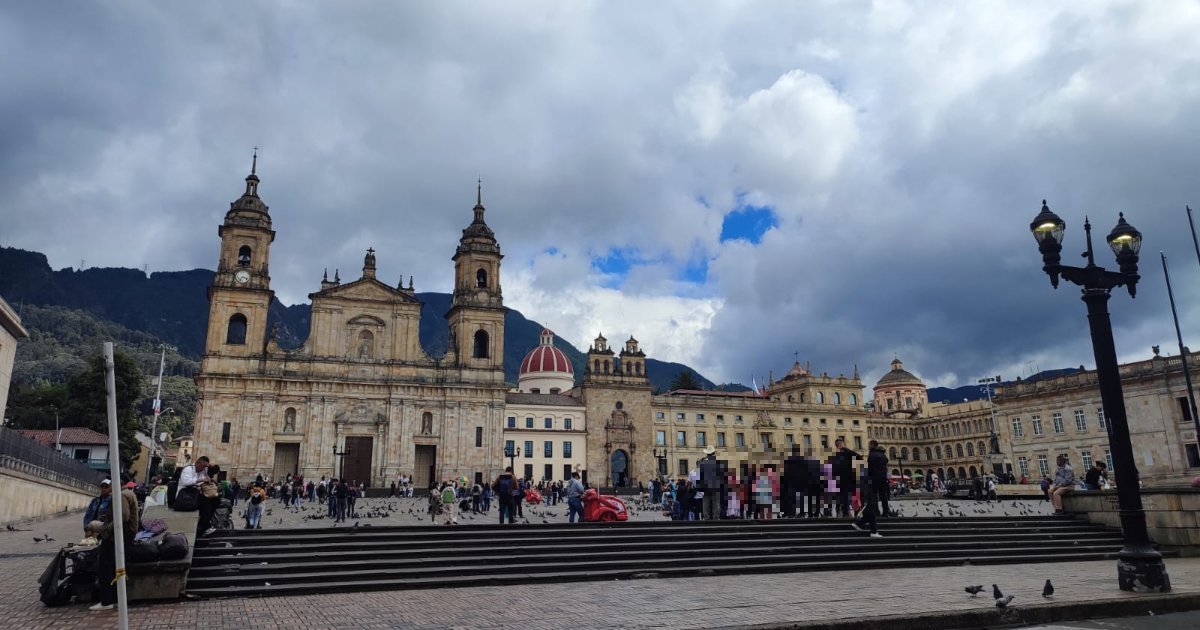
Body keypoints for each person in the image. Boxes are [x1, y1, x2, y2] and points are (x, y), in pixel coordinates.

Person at [91, 473, 139, 611]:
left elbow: (123, 516)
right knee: (116, 568)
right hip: (124, 536)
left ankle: (106, 601)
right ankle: (115, 598)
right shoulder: (128, 493)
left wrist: (106, 530)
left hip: (117, 537)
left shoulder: (122, 495)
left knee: (106, 568)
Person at [178, 455, 218, 537]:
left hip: (195, 493)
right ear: (198, 463)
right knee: (205, 503)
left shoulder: (204, 470)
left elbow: (215, 471)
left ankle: (203, 523)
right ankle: (205, 526)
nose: (203, 468)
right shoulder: (188, 469)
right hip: (185, 494)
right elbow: (186, 482)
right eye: (202, 466)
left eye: (205, 466)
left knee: (216, 500)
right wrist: (202, 480)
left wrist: (210, 466)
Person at [831, 438, 859, 518]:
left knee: (841, 496)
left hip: (840, 479)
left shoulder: (837, 455)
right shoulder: (848, 454)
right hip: (846, 478)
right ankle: (845, 511)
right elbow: (858, 457)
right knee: (845, 495)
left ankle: (842, 511)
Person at [851, 470, 883, 539]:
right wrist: (866, 500)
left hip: (869, 500)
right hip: (869, 500)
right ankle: (874, 532)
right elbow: (866, 491)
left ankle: (858, 524)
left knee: (868, 515)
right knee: (872, 515)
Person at [697, 445, 723, 520]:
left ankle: (706, 517)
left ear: (707, 454)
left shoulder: (703, 463)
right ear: (714, 453)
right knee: (716, 502)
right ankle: (716, 517)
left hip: (706, 486)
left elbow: (700, 475)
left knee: (706, 502)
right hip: (715, 486)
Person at [866, 440, 890, 517]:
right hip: (883, 477)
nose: (868, 446)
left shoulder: (872, 454)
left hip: (874, 478)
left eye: (869, 445)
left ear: (872, 445)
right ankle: (886, 512)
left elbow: (870, 468)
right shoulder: (882, 454)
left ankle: (876, 512)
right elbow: (886, 461)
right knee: (883, 495)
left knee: (874, 495)